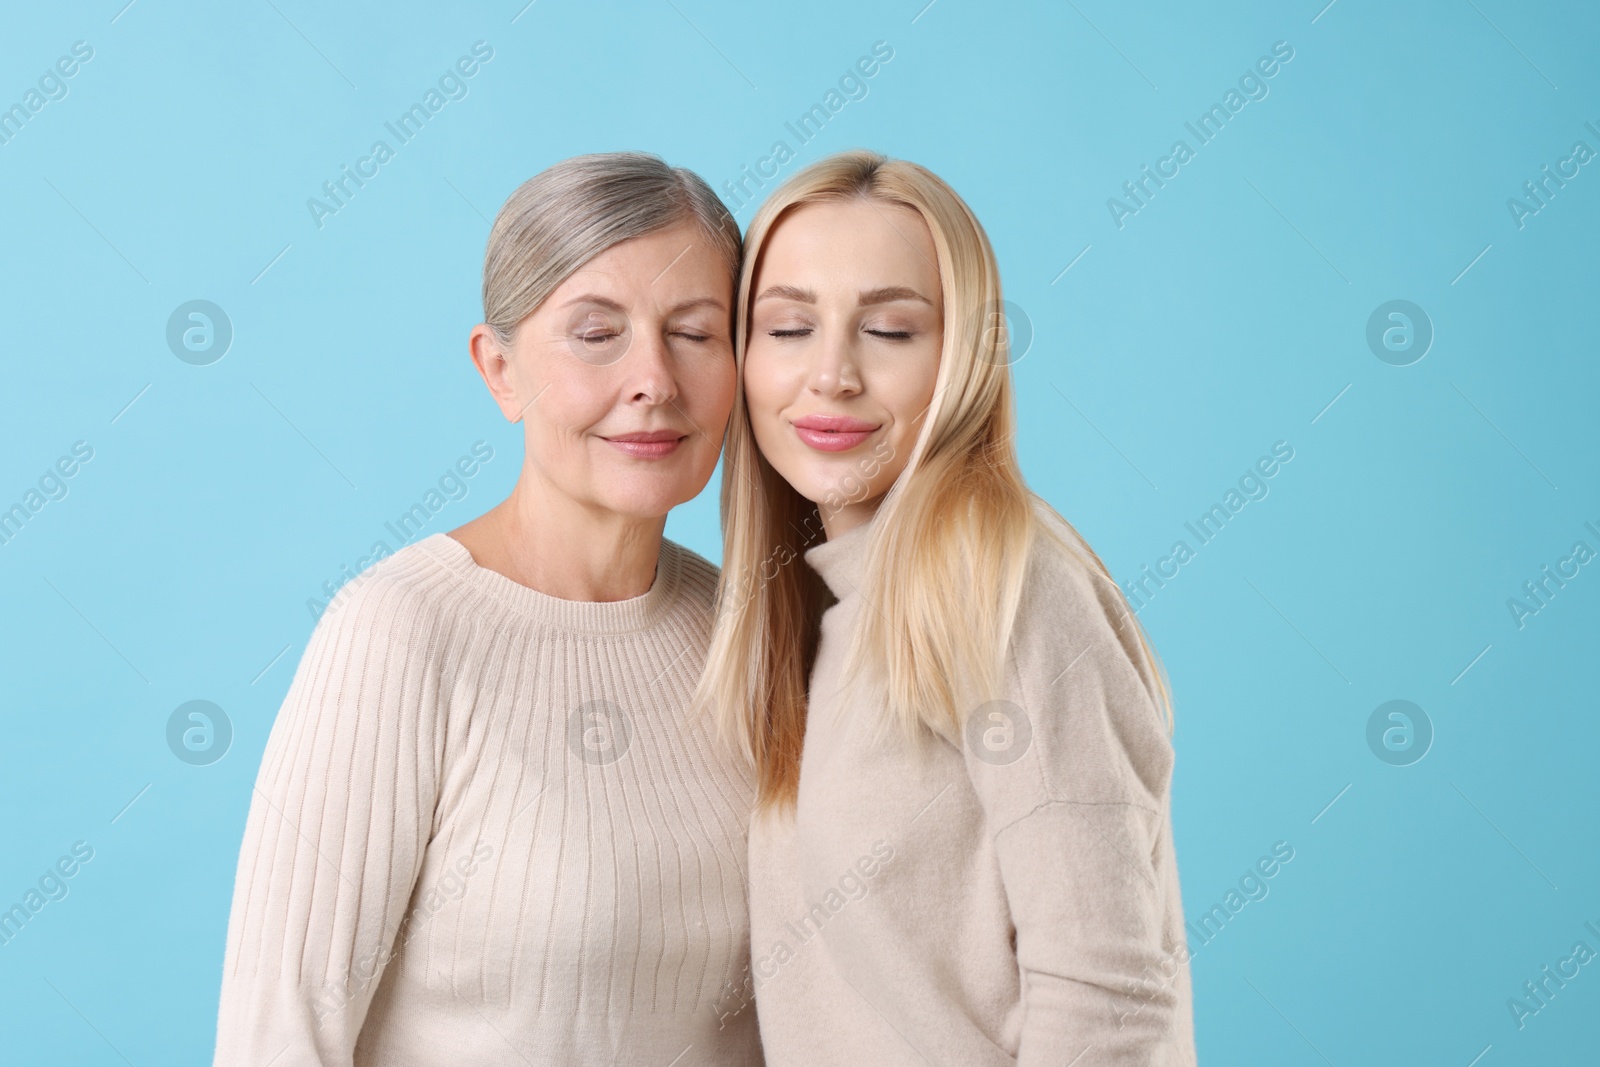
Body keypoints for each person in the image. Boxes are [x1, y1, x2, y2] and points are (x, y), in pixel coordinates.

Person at [213, 152, 764, 1065]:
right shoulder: (399, 633)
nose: (654, 381)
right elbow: (278, 1032)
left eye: (696, 334)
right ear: (500, 370)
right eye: (597, 334)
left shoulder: (749, 627)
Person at [694, 149, 1196, 1065]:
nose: (833, 374)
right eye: (788, 327)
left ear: (960, 355)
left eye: (889, 330)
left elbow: (1110, 999)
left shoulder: (1006, 583)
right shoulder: (813, 604)